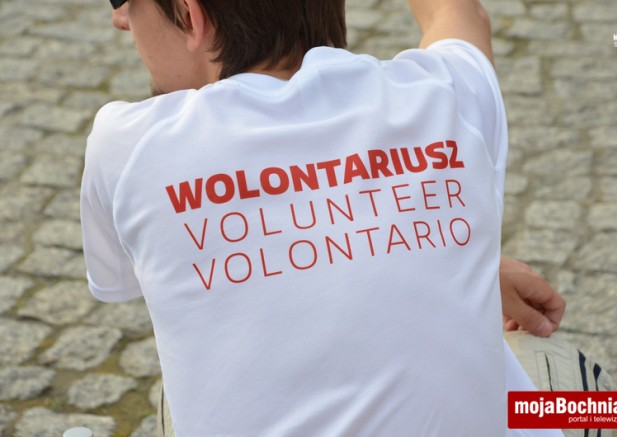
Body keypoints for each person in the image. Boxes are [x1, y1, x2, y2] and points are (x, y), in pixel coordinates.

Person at [81, 0, 570, 435]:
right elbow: (457, 13)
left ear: (192, 16)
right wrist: (455, 255)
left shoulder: (128, 146)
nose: (120, 18)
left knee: (177, 390)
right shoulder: (443, 93)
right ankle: (613, 413)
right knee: (564, 377)